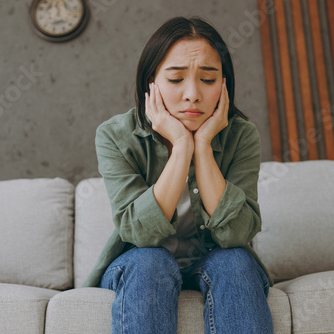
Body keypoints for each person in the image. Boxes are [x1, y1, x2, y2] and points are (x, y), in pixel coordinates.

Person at [83, 16, 273, 334]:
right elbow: (140, 235)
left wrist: (203, 146)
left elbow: (237, 234)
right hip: (140, 263)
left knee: (236, 261)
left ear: (224, 85)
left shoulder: (241, 135)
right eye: (176, 80)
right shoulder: (115, 135)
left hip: (215, 258)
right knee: (151, 260)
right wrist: (182, 145)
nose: (192, 94)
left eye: (208, 80)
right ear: (151, 83)